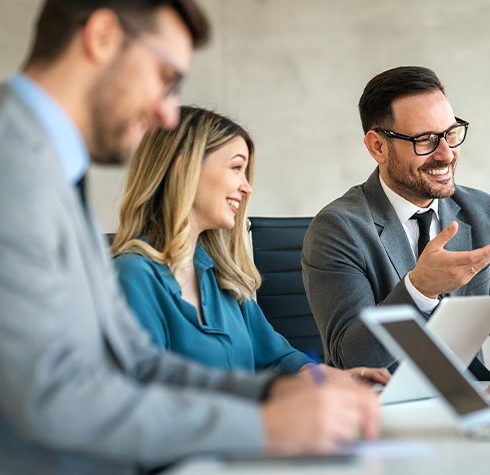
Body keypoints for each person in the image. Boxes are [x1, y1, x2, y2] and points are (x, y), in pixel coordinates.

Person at [0, 1, 377, 473]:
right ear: (102, 37)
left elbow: (137, 361)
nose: (167, 114)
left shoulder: (46, 172)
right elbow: (53, 394)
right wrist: (265, 426)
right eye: (165, 78)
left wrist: (280, 392)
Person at [302, 66, 490, 379]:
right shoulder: (337, 229)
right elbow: (350, 358)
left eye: (451, 133)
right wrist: (419, 289)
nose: (446, 154)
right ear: (378, 147)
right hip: (383, 401)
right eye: (425, 140)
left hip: (471, 395)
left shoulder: (484, 212)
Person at [111, 105, 390, 384]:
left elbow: (279, 358)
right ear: (183, 168)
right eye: (236, 168)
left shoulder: (221, 276)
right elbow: (148, 394)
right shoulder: (132, 276)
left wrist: (331, 380)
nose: (247, 187)